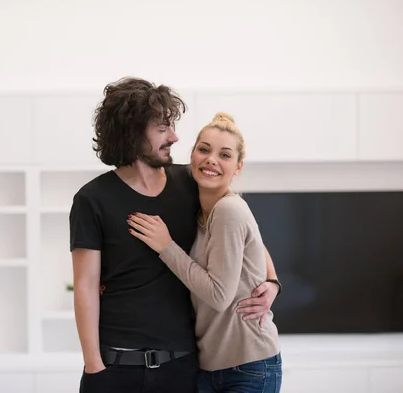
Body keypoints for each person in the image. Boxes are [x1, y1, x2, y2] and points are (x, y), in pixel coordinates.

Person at [69, 77, 281, 393]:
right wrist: (94, 365)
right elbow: (85, 285)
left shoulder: (189, 182)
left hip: (182, 369)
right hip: (115, 368)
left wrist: (272, 281)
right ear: (132, 133)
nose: (174, 136)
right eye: (162, 128)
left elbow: (245, 234)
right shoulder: (92, 199)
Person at [128, 111, 282, 392]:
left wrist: (166, 246)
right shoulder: (198, 205)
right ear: (192, 155)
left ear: (238, 167)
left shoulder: (228, 209)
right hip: (209, 366)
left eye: (225, 155)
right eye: (204, 149)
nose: (212, 159)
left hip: (246, 367)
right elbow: (255, 245)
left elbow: (219, 296)